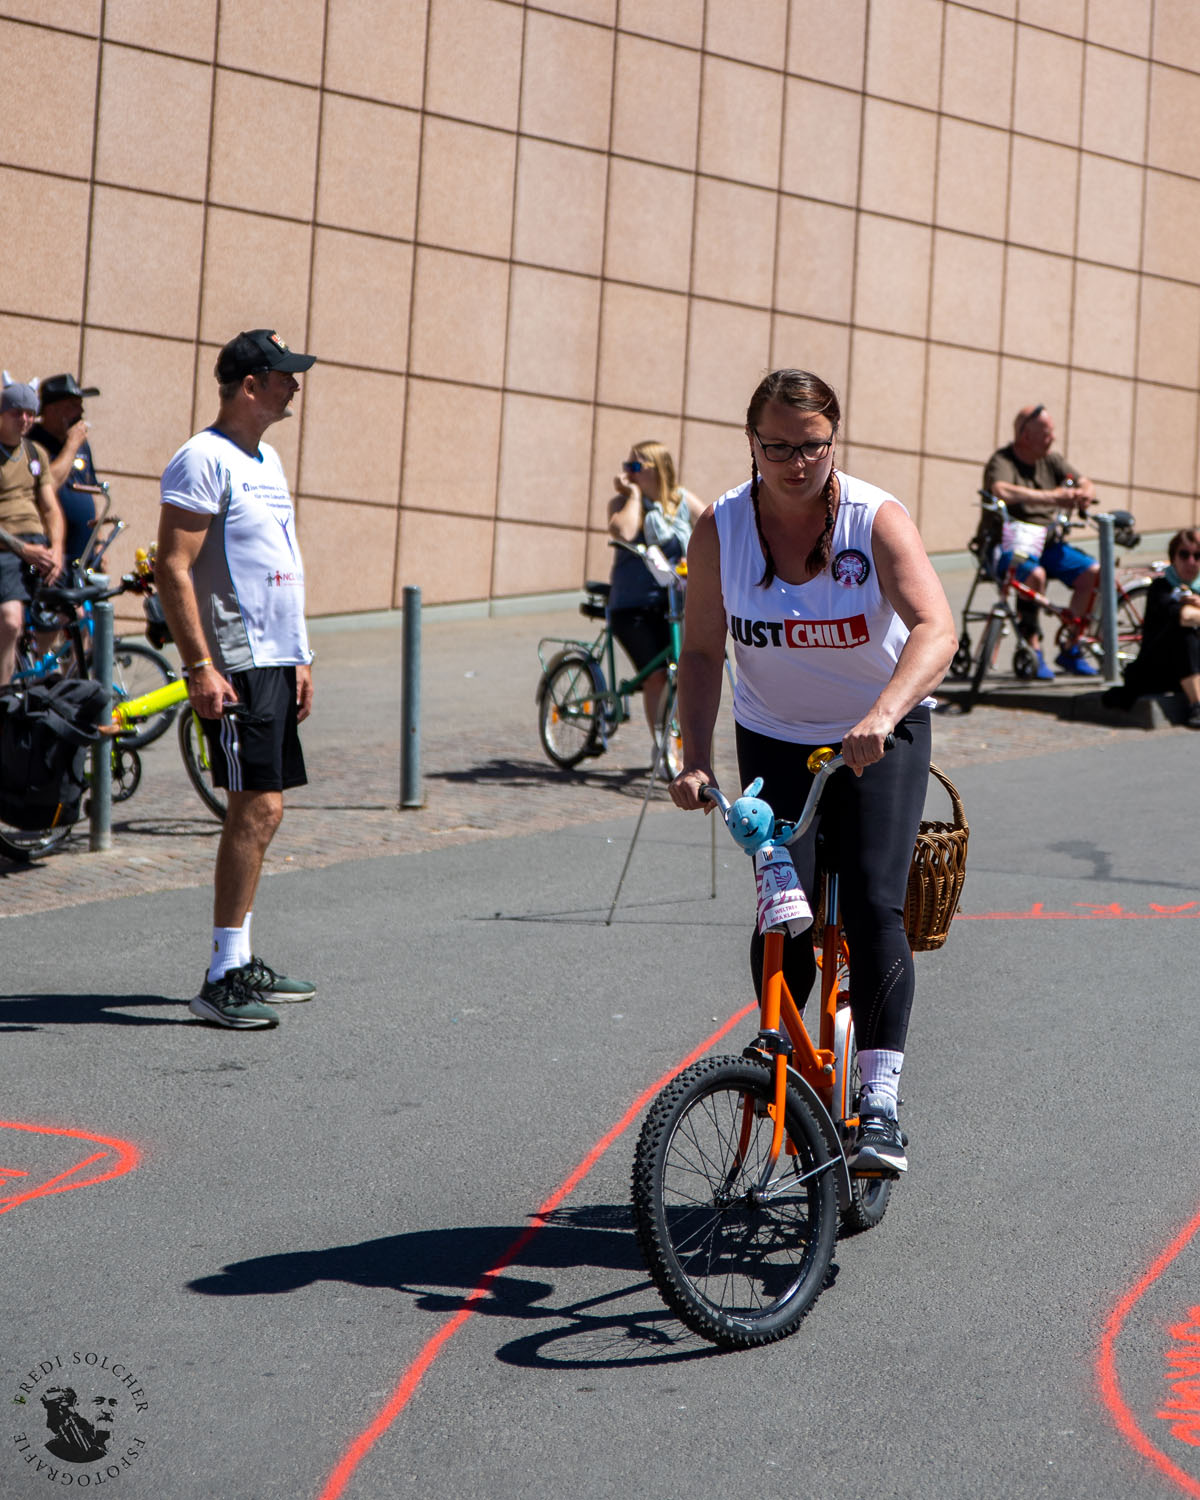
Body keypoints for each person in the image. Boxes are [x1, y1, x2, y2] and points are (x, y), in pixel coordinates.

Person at [670, 369, 957, 1174]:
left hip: (879, 736)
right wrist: (693, 761)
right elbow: (699, 652)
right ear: (752, 443)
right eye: (778, 448)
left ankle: (878, 1105)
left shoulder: (874, 519)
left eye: (813, 446)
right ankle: (785, 1073)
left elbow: (937, 629)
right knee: (780, 922)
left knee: (871, 906)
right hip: (774, 740)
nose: (797, 463)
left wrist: (883, 714)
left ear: (835, 439)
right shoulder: (721, 529)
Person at [155, 329, 317, 1030]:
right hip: (233, 660)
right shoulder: (202, 459)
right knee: (259, 807)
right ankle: (219, 976)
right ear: (250, 384)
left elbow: (279, 555)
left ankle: (240, 958)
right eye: (284, 375)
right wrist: (198, 666)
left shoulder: (266, 457)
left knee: (266, 807)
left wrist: (302, 653)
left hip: (275, 658)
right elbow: (172, 565)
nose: (295, 385)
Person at [982, 403, 1100, 678]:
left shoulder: (1053, 459)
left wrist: (1083, 492)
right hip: (1011, 544)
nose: (1052, 438)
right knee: (1034, 575)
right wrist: (1052, 497)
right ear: (1026, 436)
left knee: (1093, 573)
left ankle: (1071, 647)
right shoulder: (1003, 460)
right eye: (1046, 433)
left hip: (1048, 543)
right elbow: (1000, 489)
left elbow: (1086, 481)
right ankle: (1033, 651)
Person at [606, 441, 704, 760]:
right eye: (627, 466)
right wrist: (634, 494)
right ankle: (662, 750)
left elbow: (713, 527)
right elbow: (624, 531)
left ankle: (681, 744)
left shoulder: (681, 500)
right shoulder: (622, 503)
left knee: (685, 670)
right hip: (632, 605)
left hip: (674, 603)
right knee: (657, 676)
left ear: (657, 468)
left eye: (635, 467)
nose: (628, 472)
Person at [0, 382, 64, 686]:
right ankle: (4, 699)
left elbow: (51, 509)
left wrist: (58, 550)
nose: (24, 420)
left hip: (39, 545)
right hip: (7, 548)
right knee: (10, 621)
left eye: (29, 414)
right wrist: (21, 548)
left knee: (74, 609)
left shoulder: (35, 452)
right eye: (16, 413)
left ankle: (38, 667)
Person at [1110, 529, 1200, 727]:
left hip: (1188, 669)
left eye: (1197, 556)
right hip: (1157, 669)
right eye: (1184, 555)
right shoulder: (1161, 587)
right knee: (1185, 632)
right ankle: (1197, 705)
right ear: (1173, 557)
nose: (1191, 562)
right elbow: (1185, 617)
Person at [30, 373, 103, 573]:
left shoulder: (81, 445)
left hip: (82, 556)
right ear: (51, 409)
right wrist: (70, 447)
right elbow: (46, 485)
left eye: (80, 404)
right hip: (49, 555)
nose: (81, 411)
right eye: (72, 404)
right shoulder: (33, 443)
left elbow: (89, 491)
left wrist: (97, 541)